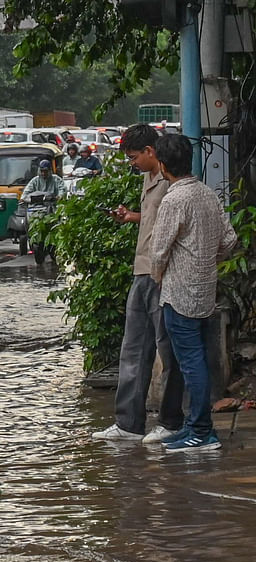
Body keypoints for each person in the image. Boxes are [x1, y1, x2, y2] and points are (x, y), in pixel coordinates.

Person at [93, 124, 184, 444]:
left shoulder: (172, 179)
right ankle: (129, 424)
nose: (131, 163)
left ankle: (171, 421)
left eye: (134, 157)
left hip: (162, 274)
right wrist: (130, 216)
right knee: (132, 350)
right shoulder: (148, 177)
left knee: (168, 351)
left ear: (151, 152)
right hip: (142, 271)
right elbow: (153, 220)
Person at [147, 133, 238, 452]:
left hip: (178, 293)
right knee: (197, 359)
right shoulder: (206, 193)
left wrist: (160, 278)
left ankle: (201, 430)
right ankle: (196, 427)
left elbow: (157, 253)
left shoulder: (174, 199)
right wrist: (205, 261)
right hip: (204, 290)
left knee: (191, 363)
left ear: (161, 164)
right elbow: (229, 241)